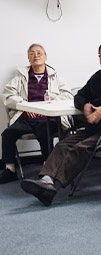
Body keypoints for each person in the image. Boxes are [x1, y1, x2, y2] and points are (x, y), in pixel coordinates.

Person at [20, 42, 101, 206]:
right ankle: (46, 179)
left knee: (81, 147)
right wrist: (85, 107)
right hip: (93, 126)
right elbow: (79, 96)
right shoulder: (97, 77)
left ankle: (52, 186)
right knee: (64, 144)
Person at [0, 44, 73, 183]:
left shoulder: (55, 76)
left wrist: (50, 104)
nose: (36, 55)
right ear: (28, 58)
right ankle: (10, 170)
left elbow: (67, 95)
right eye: (32, 53)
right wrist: (25, 106)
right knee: (8, 134)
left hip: (47, 118)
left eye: (39, 53)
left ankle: (47, 169)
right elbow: (8, 96)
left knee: (44, 133)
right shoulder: (21, 77)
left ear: (45, 57)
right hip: (27, 117)